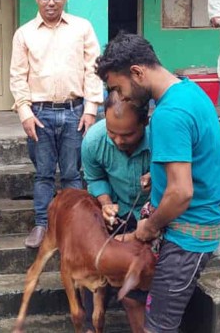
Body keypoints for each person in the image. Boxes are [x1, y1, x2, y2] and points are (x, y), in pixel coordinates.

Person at [96, 32, 220, 333]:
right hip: (189, 230)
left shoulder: (169, 114)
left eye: (119, 88)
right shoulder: (187, 90)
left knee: (158, 327)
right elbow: (192, 162)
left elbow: (181, 193)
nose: (122, 98)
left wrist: (149, 227)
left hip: (185, 239)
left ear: (138, 73)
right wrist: (155, 177)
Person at [9, 0, 103, 249]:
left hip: (75, 111)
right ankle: (42, 224)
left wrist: (91, 109)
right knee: (44, 174)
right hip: (40, 114)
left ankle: (74, 226)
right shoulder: (24, 33)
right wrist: (25, 112)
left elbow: (93, 70)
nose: (51, 2)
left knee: (74, 173)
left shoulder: (82, 28)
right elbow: (17, 76)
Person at [80, 91, 152, 332]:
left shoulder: (162, 139)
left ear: (145, 121)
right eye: (113, 134)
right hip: (117, 208)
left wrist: (158, 177)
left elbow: (179, 177)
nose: (119, 141)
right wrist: (105, 203)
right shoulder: (93, 141)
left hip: (154, 214)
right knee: (92, 263)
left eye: (128, 134)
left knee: (137, 289)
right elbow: (95, 177)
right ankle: (92, 324)